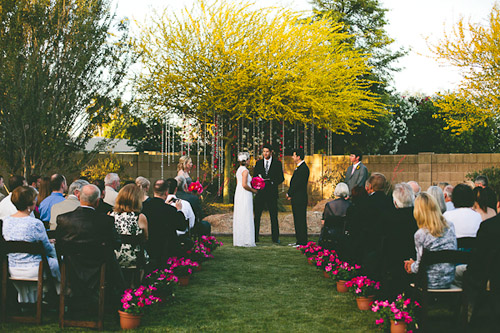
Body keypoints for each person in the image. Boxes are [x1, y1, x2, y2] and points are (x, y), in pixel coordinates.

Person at [56, 184, 124, 305]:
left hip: (73, 268)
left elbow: (59, 246)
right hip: (98, 268)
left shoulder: (64, 219)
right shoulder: (105, 221)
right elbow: (116, 243)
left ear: (79, 198)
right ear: (97, 202)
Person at [2, 186, 60, 303]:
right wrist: (54, 254)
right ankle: (60, 294)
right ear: (31, 203)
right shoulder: (35, 224)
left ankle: (33, 300)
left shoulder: (5, 222)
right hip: (35, 268)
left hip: (12, 267)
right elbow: (47, 249)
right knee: (58, 263)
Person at [404, 192, 457, 289]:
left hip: (428, 282)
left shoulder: (420, 234)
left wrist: (411, 266)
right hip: (448, 279)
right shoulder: (450, 226)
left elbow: (419, 267)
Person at [382, 183, 418, 298]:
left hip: (392, 262)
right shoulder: (418, 217)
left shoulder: (387, 217)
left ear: (395, 203)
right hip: (413, 259)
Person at [142, 179, 187, 265]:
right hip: (167, 248)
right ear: (166, 192)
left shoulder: (144, 207)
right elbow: (181, 226)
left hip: (148, 246)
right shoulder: (170, 210)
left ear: (154, 191)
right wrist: (179, 210)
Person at [111, 184, 149, 268]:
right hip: (134, 258)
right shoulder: (140, 217)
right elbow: (145, 238)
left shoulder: (110, 215)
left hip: (115, 256)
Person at [253, 144, 285, 243]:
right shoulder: (258, 163)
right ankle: (255, 237)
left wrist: (272, 182)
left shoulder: (277, 163)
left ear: (271, 152)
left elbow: (281, 178)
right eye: (264, 152)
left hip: (272, 193)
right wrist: (258, 183)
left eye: (267, 152)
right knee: (257, 216)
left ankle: (275, 238)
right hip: (260, 193)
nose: (265, 153)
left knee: (273, 216)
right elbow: (254, 177)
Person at [233, 152, 258, 247]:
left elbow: (238, 183)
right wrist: (253, 190)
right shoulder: (245, 171)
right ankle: (246, 239)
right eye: (249, 159)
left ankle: (240, 238)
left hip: (239, 193)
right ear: (246, 161)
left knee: (241, 213)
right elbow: (244, 184)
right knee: (246, 213)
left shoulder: (239, 170)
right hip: (244, 193)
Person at [319, 182, 350, 255]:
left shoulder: (329, 205)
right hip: (344, 234)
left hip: (331, 234)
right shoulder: (350, 205)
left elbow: (324, 221)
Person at [287, 148, 310, 246]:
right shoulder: (299, 167)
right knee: (297, 219)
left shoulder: (304, 168)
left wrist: (289, 193)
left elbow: (298, 184)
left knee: (300, 219)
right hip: (296, 197)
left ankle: (303, 241)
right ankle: (298, 240)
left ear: (298, 157)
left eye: (294, 155)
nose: (292, 157)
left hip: (300, 198)